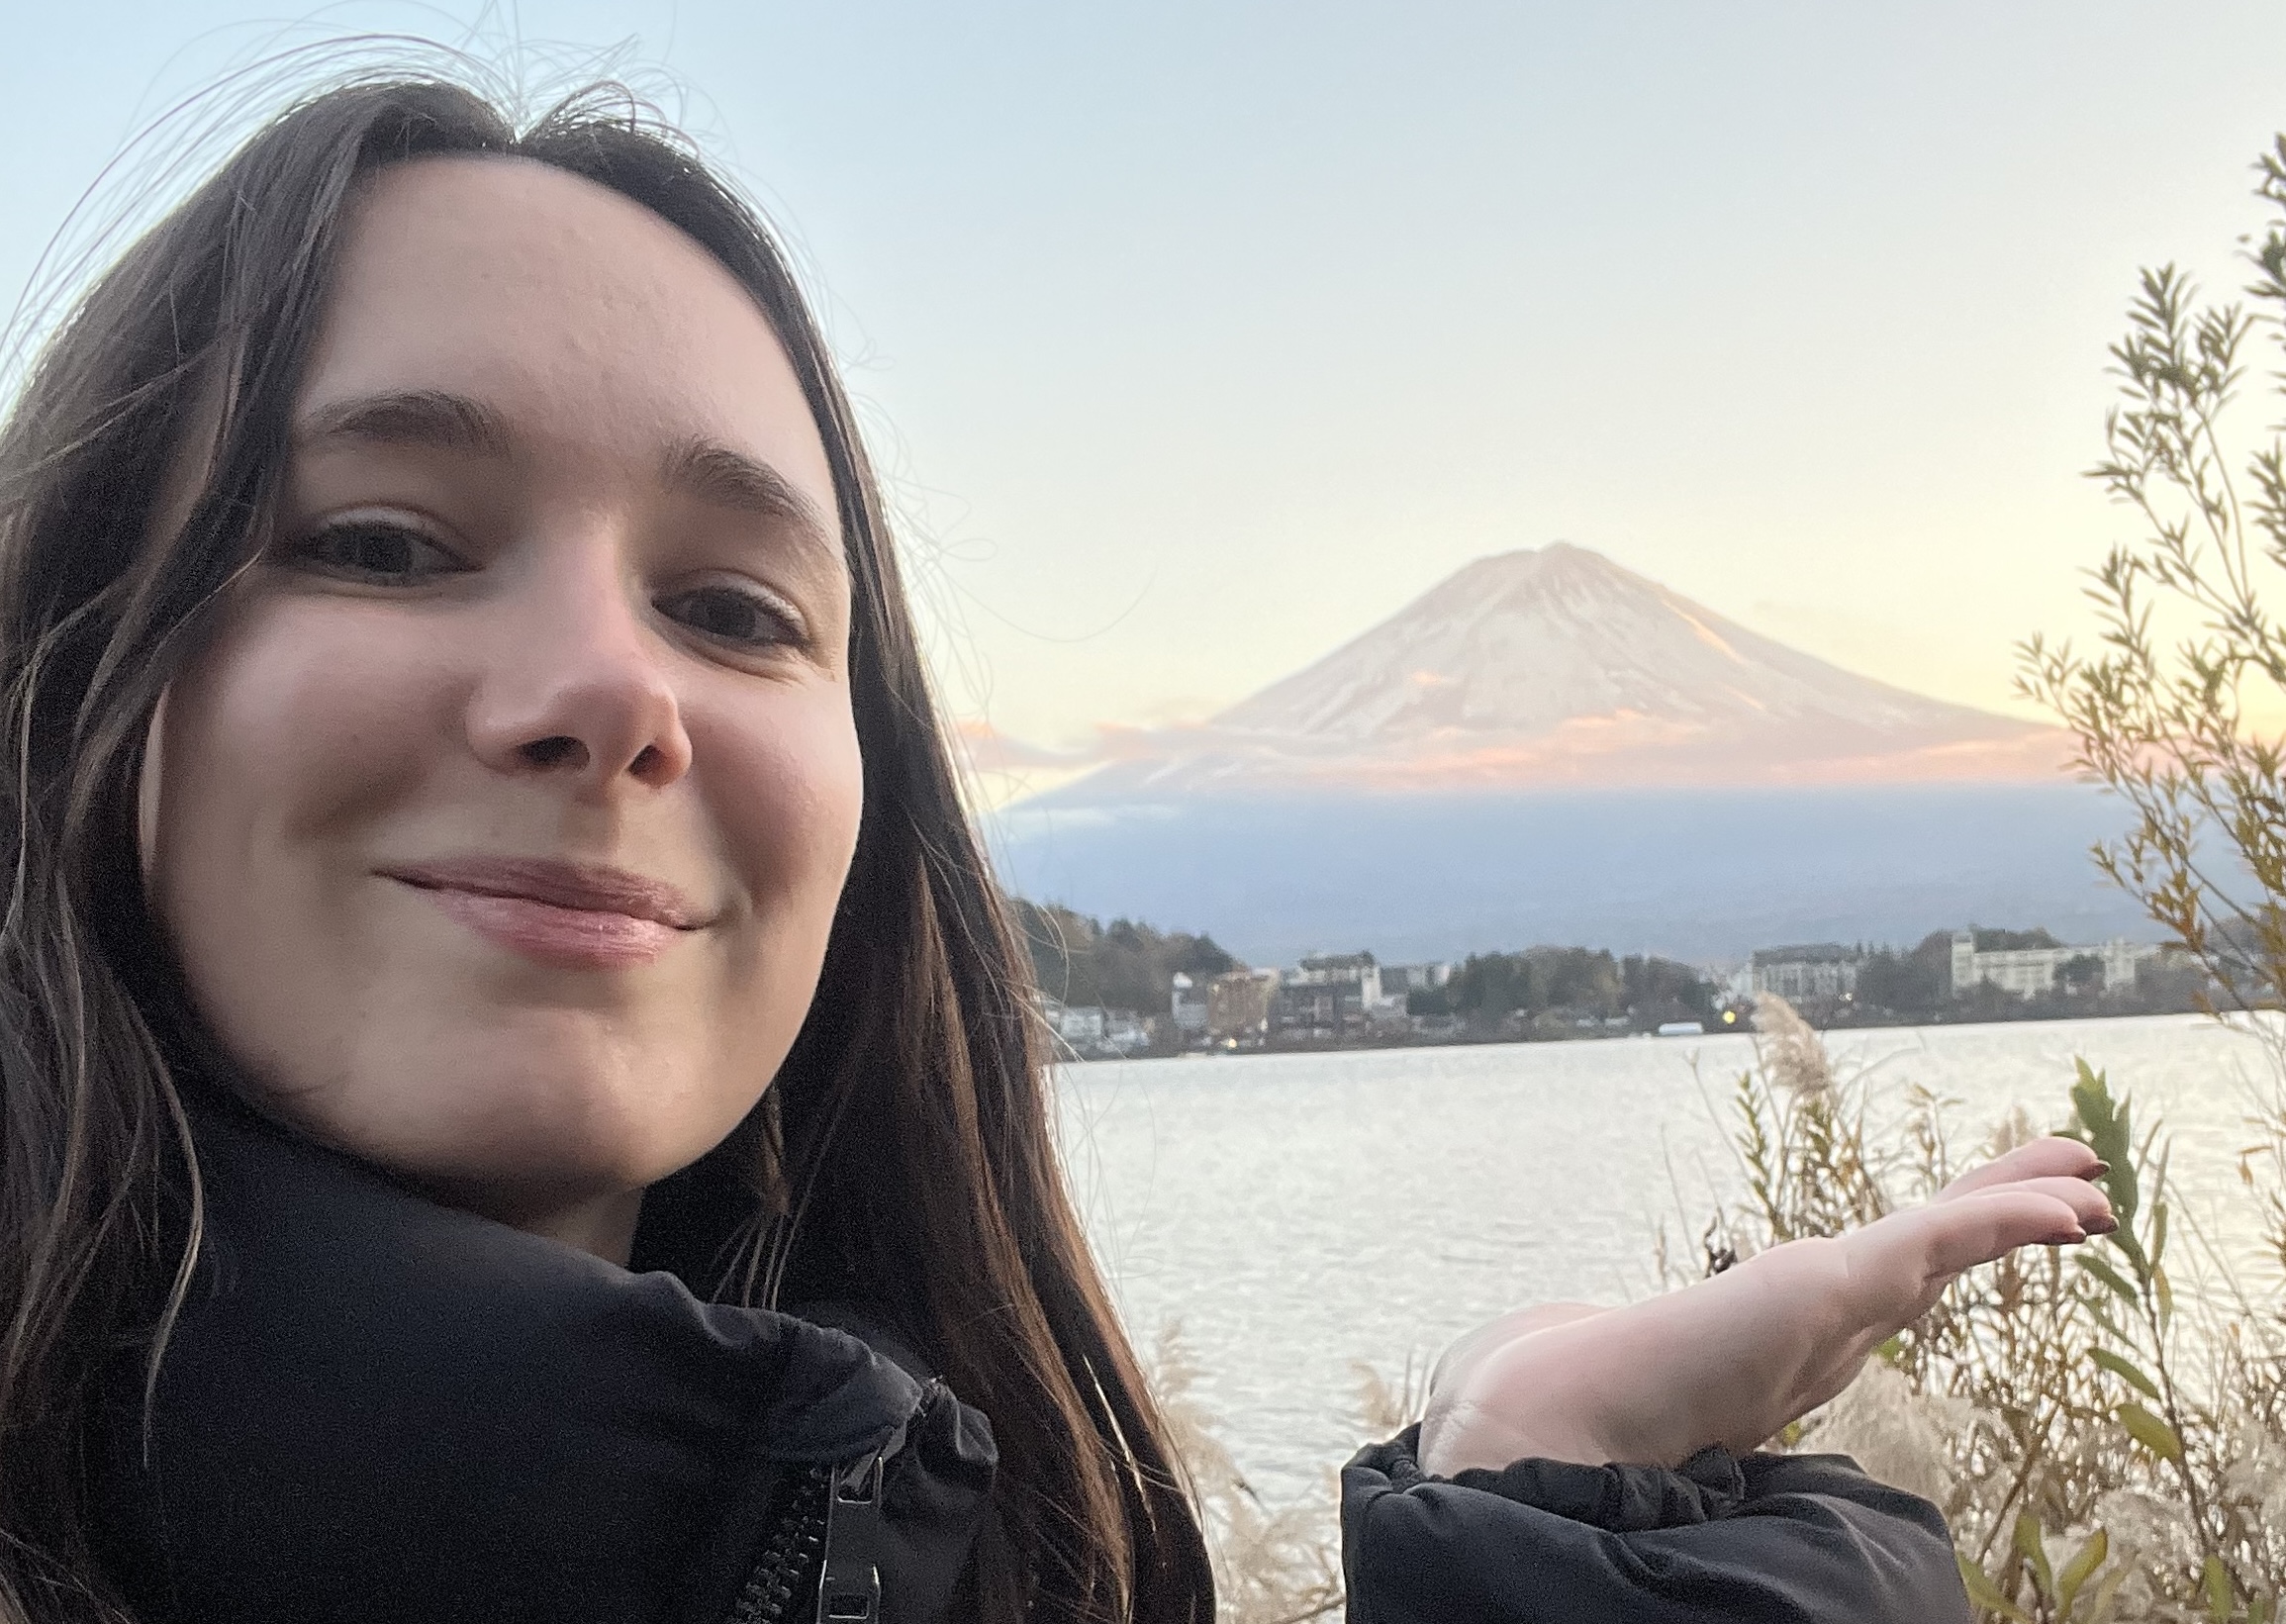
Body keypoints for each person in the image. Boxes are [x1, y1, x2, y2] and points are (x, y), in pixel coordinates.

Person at [0, 73, 2115, 1624]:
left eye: (736, 606)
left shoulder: (949, 1538)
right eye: (384, 539)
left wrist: (1546, 1515)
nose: (614, 691)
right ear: (70, 663)